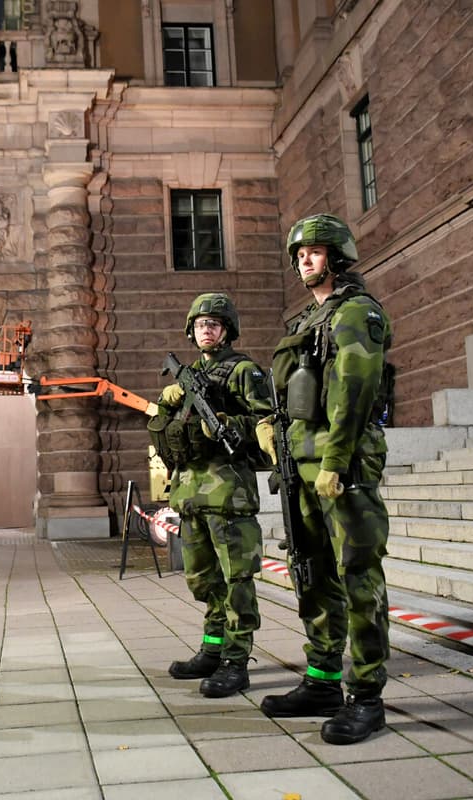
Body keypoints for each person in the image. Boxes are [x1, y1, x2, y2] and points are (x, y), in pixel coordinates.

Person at [257, 213, 394, 745]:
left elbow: (355, 394)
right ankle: (321, 680)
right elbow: (296, 396)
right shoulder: (304, 325)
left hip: (343, 466)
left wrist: (335, 461)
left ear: (336, 256)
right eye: (298, 254)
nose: (303, 260)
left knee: (358, 577)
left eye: (313, 252)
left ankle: (367, 696)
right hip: (302, 467)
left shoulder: (357, 313)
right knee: (311, 573)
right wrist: (274, 431)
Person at [149, 293, 272, 698]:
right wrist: (167, 406)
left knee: (236, 581)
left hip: (227, 494)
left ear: (228, 330)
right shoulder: (186, 377)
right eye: (201, 324)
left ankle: (237, 661)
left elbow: (266, 423)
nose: (207, 329)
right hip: (191, 493)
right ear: (191, 330)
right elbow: (167, 433)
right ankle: (213, 649)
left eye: (215, 323)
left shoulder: (244, 371)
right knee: (204, 581)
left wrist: (226, 420)